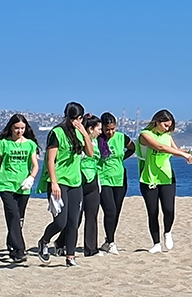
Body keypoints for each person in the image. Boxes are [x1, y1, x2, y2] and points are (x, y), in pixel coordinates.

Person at [36, 102, 94, 267]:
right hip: (59, 181)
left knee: (73, 221)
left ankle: (70, 256)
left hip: (75, 182)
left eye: (78, 119)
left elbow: (90, 153)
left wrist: (84, 133)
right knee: (60, 221)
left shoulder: (80, 132)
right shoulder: (57, 133)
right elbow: (50, 159)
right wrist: (53, 182)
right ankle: (44, 241)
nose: (74, 121)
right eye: (72, 118)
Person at [136, 109, 192, 254]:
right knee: (153, 212)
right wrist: (183, 154)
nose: (167, 128)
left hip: (166, 177)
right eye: (165, 125)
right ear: (157, 121)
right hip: (148, 178)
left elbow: (174, 149)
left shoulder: (167, 135)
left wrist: (190, 153)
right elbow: (160, 147)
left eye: (169, 126)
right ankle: (156, 243)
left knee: (169, 209)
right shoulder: (145, 135)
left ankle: (167, 232)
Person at [0, 114, 39, 263]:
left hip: (23, 186)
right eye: (16, 128)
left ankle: (12, 245)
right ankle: (20, 249)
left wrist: (31, 178)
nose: (19, 131)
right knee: (13, 215)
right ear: (11, 128)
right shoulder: (3, 143)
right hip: (6, 184)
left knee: (18, 219)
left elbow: (35, 165)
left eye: (22, 128)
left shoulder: (30, 144)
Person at [54, 114, 102, 257]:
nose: (101, 132)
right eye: (98, 129)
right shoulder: (78, 140)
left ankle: (91, 249)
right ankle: (60, 242)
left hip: (92, 180)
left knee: (92, 215)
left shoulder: (97, 142)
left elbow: (96, 160)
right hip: (78, 180)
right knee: (75, 219)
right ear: (90, 129)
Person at [97, 112, 135, 255]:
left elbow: (133, 148)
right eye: (107, 129)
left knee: (116, 212)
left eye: (113, 129)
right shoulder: (98, 140)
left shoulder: (121, 138)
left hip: (120, 179)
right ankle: (111, 242)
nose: (110, 132)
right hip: (103, 177)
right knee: (110, 210)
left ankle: (108, 241)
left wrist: (121, 159)